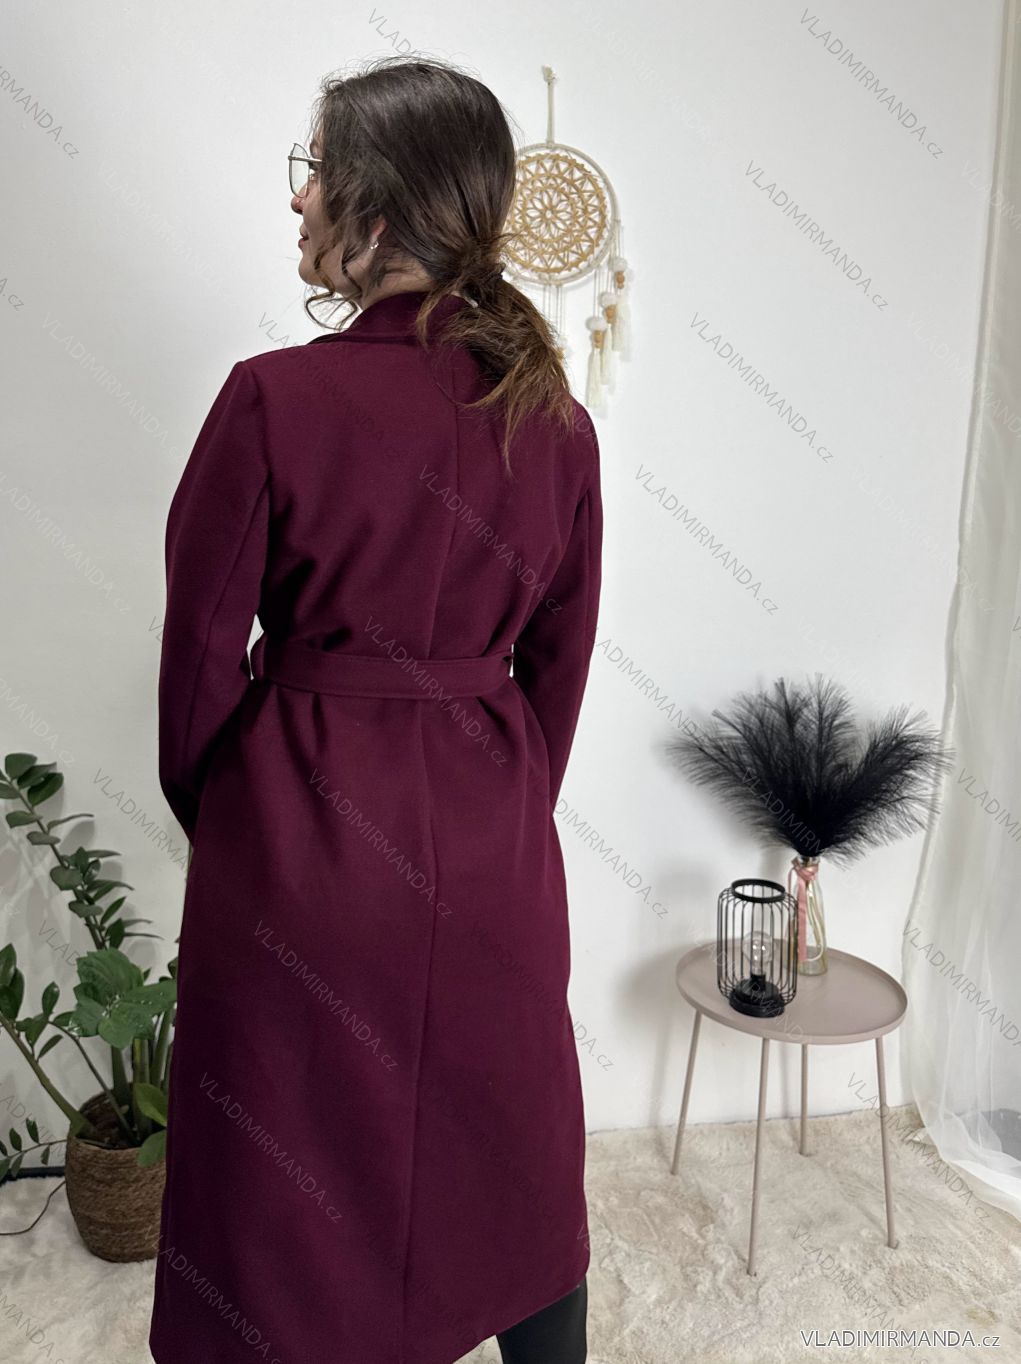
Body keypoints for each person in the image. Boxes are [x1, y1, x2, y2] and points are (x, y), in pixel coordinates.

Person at [150, 54, 602, 1364]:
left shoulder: (272, 398)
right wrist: (505, 806)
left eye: (314, 174)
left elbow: (197, 655)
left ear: (378, 207)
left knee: (279, 1184)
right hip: (494, 851)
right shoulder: (555, 420)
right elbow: (560, 664)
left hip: (301, 850)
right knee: (508, 1148)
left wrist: (240, 821)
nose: (297, 201)